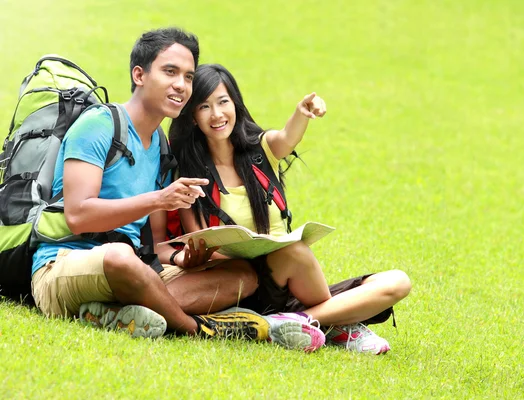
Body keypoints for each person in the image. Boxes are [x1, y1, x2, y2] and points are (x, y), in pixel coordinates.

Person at [30, 28, 326, 352]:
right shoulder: (98, 125)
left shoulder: (159, 146)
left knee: (242, 276)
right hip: (64, 263)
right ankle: (198, 329)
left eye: (188, 76)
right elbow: (78, 216)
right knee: (120, 258)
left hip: (134, 267)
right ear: (139, 75)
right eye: (170, 72)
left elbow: (157, 247)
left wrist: (182, 258)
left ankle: (119, 313)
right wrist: (158, 199)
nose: (181, 85)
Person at [167, 64, 412, 354]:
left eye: (223, 102)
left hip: (290, 285)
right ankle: (338, 324)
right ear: (193, 117)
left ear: (236, 103)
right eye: (205, 106)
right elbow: (200, 240)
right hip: (242, 284)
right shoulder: (190, 172)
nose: (217, 114)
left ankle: (299, 322)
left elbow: (286, 137)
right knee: (293, 251)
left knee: (397, 282)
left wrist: (302, 111)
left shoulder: (260, 151)